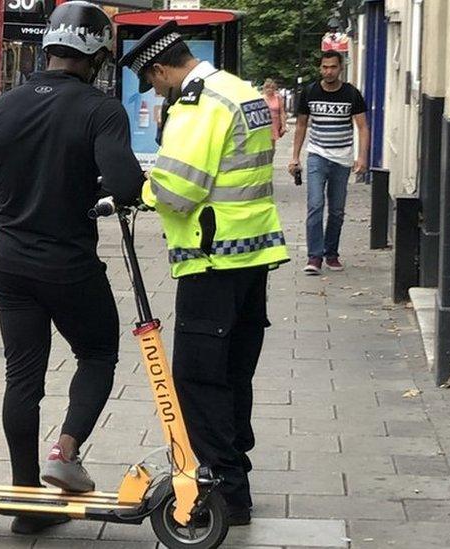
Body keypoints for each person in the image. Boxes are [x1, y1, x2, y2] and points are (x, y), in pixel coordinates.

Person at [0, 0, 145, 535]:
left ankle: (25, 503)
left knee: (22, 377)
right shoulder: (100, 109)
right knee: (98, 352)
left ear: (48, 46)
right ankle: (64, 453)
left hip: (10, 265)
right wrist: (91, 188)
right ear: (96, 54)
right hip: (69, 266)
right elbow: (128, 186)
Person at [118, 21, 289, 527]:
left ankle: (221, 493)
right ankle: (238, 479)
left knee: (198, 379)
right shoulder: (242, 91)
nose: (158, 92)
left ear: (162, 67)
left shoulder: (199, 103)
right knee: (236, 374)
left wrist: (133, 194)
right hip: (252, 255)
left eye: (155, 83)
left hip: (211, 259)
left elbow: (177, 189)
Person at [289, 51, 369, 274]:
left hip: (342, 158)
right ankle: (314, 257)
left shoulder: (351, 94)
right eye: (324, 67)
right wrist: (295, 156)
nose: (328, 71)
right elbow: (302, 125)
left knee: (336, 210)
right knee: (315, 204)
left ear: (340, 68)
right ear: (320, 68)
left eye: (333, 67)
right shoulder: (310, 92)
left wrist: (361, 157)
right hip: (317, 155)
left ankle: (331, 253)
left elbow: (362, 127)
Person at [262, 78, 286, 145]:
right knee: (264, 146)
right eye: (267, 87)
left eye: (272, 87)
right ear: (264, 88)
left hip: (275, 124)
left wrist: (283, 126)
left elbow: (282, 112)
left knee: (272, 146)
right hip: (265, 125)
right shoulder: (261, 98)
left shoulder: (278, 97)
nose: (269, 89)